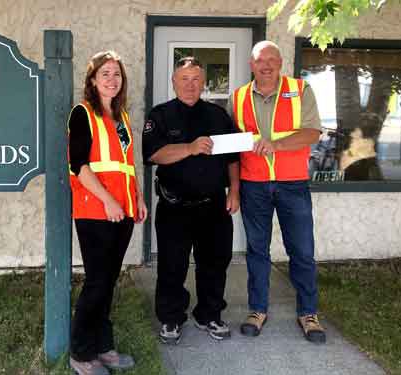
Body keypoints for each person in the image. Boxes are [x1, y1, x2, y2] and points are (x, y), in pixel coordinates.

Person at [228, 40, 326, 343]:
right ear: (251, 65)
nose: (266, 65)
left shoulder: (299, 90)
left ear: (281, 62)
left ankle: (308, 312)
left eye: (272, 59)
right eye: (260, 60)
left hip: (292, 183)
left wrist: (277, 145)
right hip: (254, 185)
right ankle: (258, 309)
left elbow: (312, 132)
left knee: (302, 251)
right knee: (257, 251)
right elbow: (233, 145)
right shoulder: (239, 97)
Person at [143, 57, 240, 344]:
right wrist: (190, 147)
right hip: (174, 207)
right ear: (174, 82)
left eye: (196, 79)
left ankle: (209, 314)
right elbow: (153, 154)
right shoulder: (160, 115)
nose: (190, 84)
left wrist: (234, 190)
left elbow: (234, 156)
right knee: (172, 266)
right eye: (184, 79)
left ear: (203, 83)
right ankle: (171, 318)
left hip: (213, 206)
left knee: (215, 264)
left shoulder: (218, 115)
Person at [68, 50, 147, 375]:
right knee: (97, 283)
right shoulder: (82, 113)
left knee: (108, 281)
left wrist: (138, 198)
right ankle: (81, 354)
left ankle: (104, 346)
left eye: (117, 74)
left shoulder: (122, 118)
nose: (112, 80)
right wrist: (109, 201)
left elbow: (127, 166)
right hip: (96, 211)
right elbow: (79, 166)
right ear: (92, 80)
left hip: (124, 211)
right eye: (105, 74)